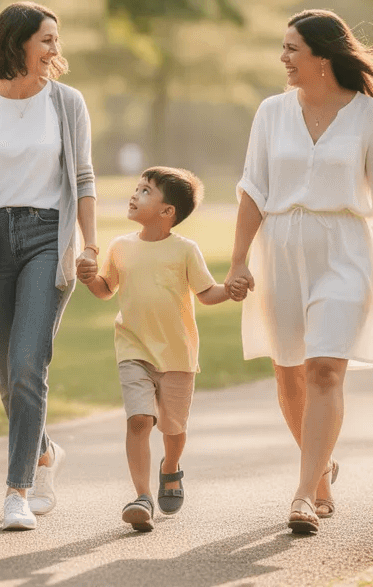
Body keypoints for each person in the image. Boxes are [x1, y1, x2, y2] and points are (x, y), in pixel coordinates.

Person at [226, 9, 373, 534]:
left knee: (324, 371)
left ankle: (301, 495)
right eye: (283, 48)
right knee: (289, 371)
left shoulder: (368, 116)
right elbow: (253, 188)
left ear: (322, 56)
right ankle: (322, 473)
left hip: (345, 252)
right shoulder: (271, 112)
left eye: (292, 48)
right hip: (281, 251)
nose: (283, 58)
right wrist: (239, 259)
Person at [0, 1, 97, 531]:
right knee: (3, 372)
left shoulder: (67, 103)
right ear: (15, 43)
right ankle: (42, 451)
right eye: (46, 40)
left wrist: (89, 245)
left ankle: (17, 490)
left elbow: (82, 177)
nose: (55, 50)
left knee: (26, 366)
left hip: (48, 238)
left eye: (55, 40)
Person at [78, 167, 243, 531]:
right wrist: (90, 279)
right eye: (136, 188)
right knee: (139, 419)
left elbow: (206, 292)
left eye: (146, 191)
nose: (134, 195)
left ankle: (170, 467)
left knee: (173, 427)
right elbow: (107, 289)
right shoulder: (121, 247)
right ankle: (142, 496)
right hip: (132, 348)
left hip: (177, 355)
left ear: (168, 211)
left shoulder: (185, 250)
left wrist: (229, 291)